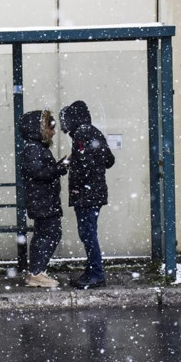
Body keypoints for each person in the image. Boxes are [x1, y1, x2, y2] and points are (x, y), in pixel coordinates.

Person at [59, 101, 115, 290]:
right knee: (89, 233)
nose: (63, 124)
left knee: (88, 234)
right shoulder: (93, 131)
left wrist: (77, 186)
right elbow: (109, 160)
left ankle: (96, 274)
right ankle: (92, 271)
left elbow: (84, 165)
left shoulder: (82, 133)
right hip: (95, 193)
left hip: (86, 194)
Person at [19, 110, 69, 288]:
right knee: (50, 233)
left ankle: (36, 270)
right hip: (43, 201)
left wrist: (57, 167)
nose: (54, 131)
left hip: (43, 200)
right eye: (51, 127)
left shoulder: (35, 147)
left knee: (44, 234)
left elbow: (40, 172)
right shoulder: (33, 149)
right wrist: (59, 169)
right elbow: (39, 173)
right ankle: (36, 272)